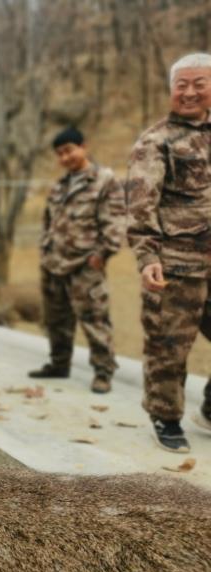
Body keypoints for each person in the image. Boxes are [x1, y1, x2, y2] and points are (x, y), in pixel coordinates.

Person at [127, 53, 211, 453]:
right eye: (182, 85)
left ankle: (209, 409)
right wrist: (148, 258)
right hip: (176, 267)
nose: (190, 92)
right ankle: (166, 417)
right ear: (171, 90)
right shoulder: (155, 141)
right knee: (168, 348)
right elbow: (141, 205)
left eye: (199, 83)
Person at [28, 126, 126, 394]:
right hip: (54, 264)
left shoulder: (104, 180)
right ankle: (59, 364)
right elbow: (48, 223)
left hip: (85, 265)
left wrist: (102, 254)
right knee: (55, 320)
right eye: (60, 154)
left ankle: (103, 372)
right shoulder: (59, 186)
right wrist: (45, 252)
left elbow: (115, 222)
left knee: (95, 320)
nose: (65, 158)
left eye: (69, 150)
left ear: (84, 147)